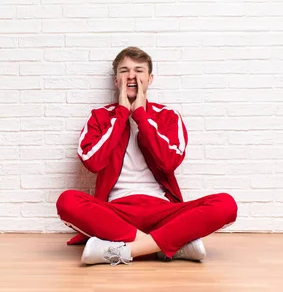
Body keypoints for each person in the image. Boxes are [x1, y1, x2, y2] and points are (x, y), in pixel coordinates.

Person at [55, 47, 238, 266]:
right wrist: (122, 113)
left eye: (138, 70)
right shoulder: (100, 116)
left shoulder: (168, 116)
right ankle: (172, 245)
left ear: (150, 79)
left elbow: (169, 162)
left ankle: (121, 250)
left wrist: (141, 116)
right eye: (125, 71)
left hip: (163, 212)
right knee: (66, 202)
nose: (131, 76)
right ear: (116, 80)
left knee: (226, 205)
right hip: (115, 212)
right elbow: (93, 162)